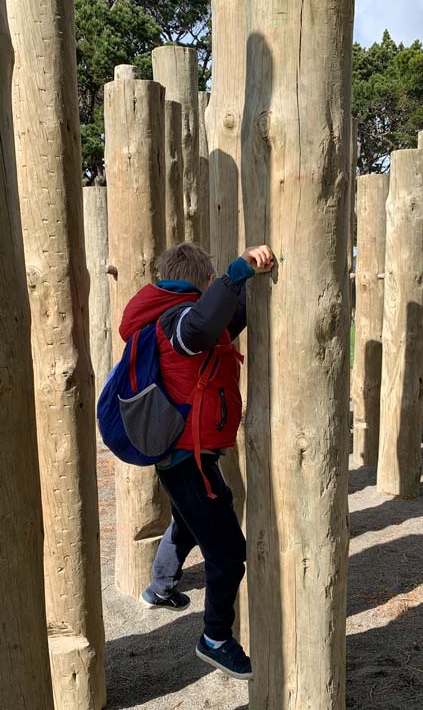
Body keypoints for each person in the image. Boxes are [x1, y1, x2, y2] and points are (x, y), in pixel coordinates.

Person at [117, 241, 274, 680]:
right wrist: (238, 271)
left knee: (187, 522)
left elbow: (224, 320)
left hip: (184, 456)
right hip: (188, 459)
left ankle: (160, 588)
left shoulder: (173, 313)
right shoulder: (178, 318)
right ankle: (215, 638)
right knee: (228, 553)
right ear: (203, 282)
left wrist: (248, 284)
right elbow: (202, 327)